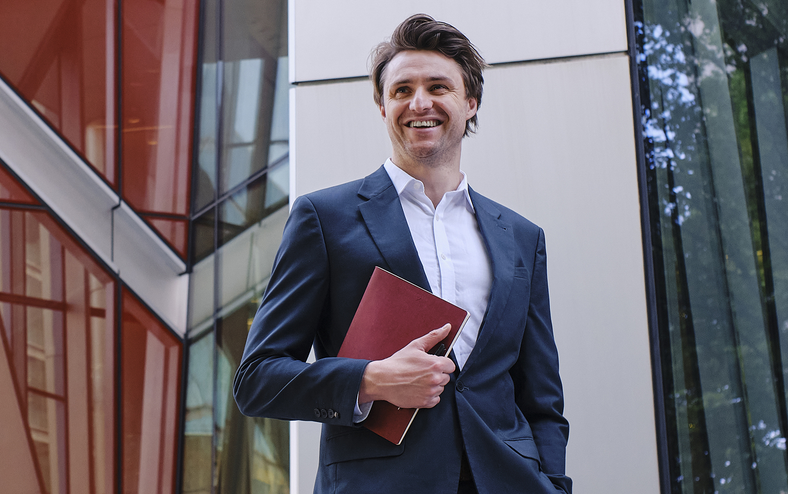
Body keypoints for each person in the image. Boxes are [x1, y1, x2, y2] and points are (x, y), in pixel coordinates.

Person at [232, 13, 570, 494]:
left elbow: (541, 398)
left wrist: (554, 484)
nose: (419, 103)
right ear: (382, 106)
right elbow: (257, 378)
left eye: (438, 87)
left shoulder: (521, 236)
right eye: (401, 90)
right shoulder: (324, 218)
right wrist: (371, 379)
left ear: (470, 103)